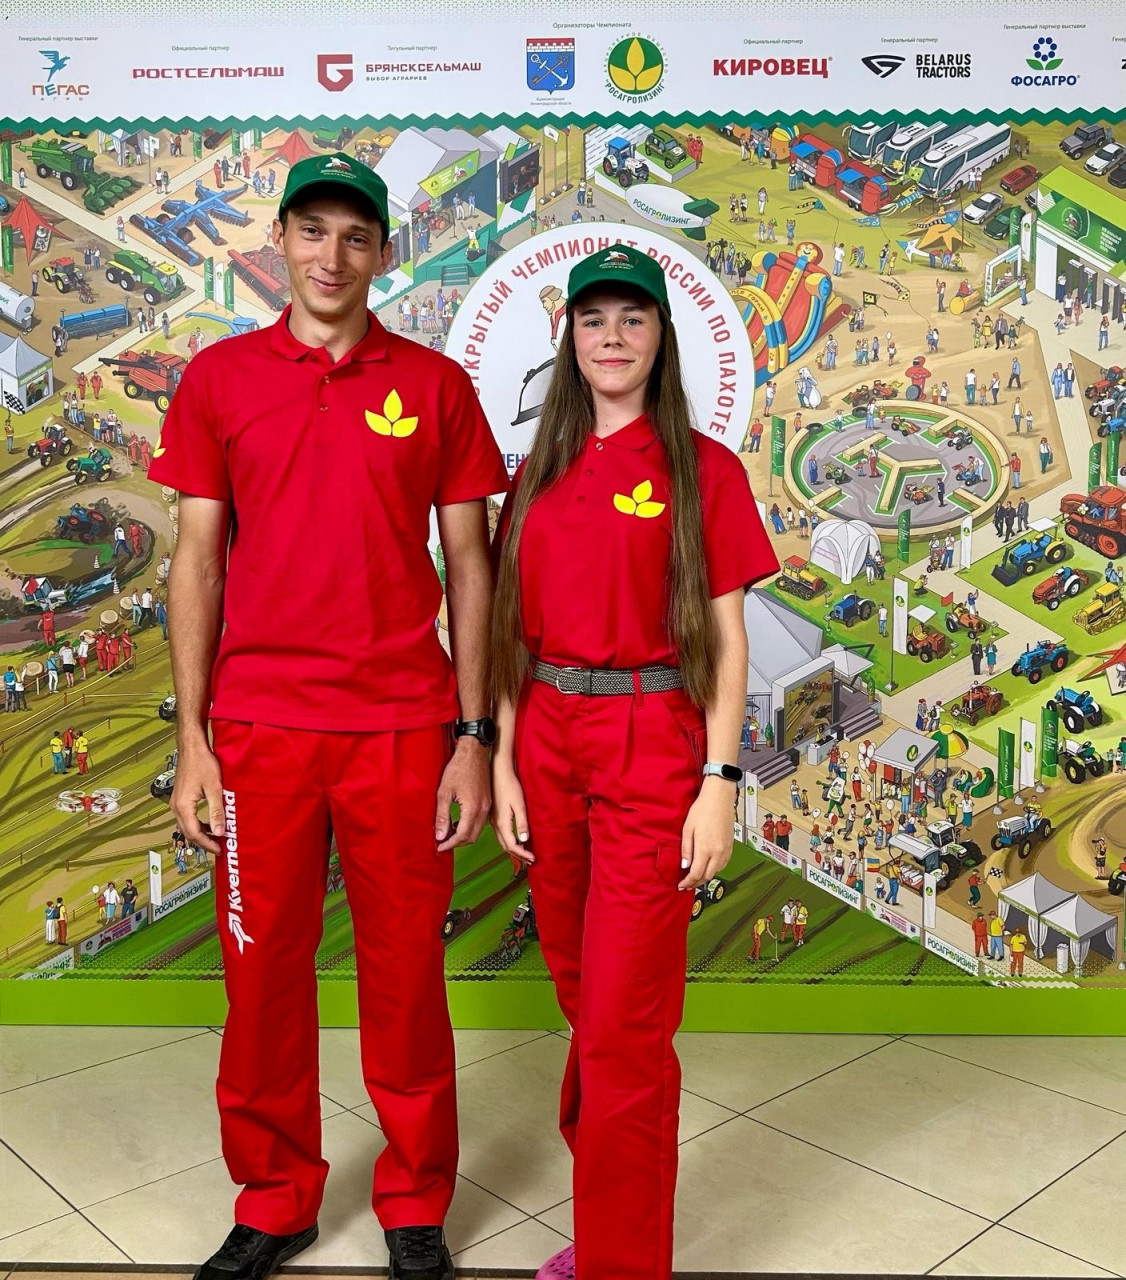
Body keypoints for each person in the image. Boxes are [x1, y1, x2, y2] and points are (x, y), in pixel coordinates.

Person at [148, 153, 509, 1280]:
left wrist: (473, 737)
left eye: (356, 236)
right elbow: (197, 559)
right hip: (259, 731)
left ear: (384, 252)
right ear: (282, 240)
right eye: (313, 230)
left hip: (402, 727)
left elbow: (471, 566)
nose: (331, 255)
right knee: (261, 978)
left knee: (405, 978)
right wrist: (194, 739)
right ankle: (274, 1198)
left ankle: (413, 1200)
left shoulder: (437, 386)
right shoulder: (219, 379)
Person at [489, 244, 777, 1280]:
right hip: (545, 740)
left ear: (662, 336)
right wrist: (506, 761)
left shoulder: (705, 470)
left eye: (633, 318)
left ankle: (621, 1261)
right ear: (568, 337)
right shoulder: (536, 472)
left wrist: (719, 783)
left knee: (623, 1024)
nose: (611, 337)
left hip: (650, 741)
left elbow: (728, 645)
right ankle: (610, 1209)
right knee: (587, 1002)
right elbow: (507, 629)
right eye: (593, 319)